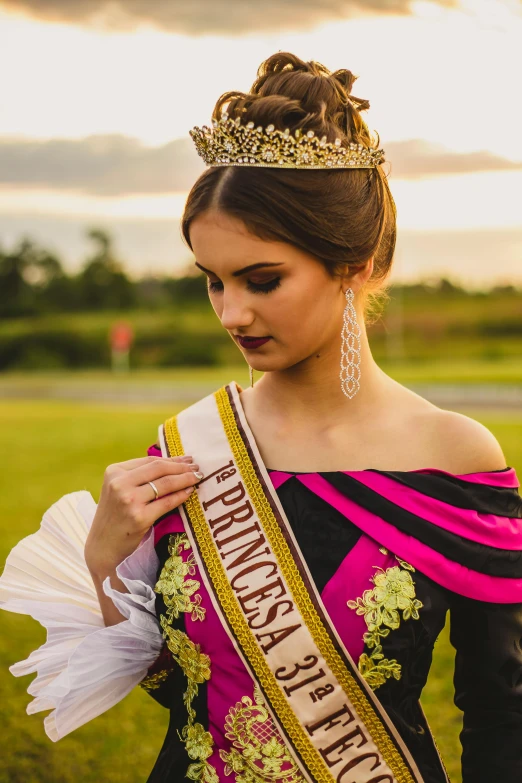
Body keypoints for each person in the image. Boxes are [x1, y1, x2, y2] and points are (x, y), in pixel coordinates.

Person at [1, 51, 522, 783]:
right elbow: (193, 695)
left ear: (354, 263)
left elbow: (504, 712)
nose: (231, 313)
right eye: (213, 281)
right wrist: (104, 564)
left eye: (262, 279)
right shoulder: (192, 446)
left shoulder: (453, 453)